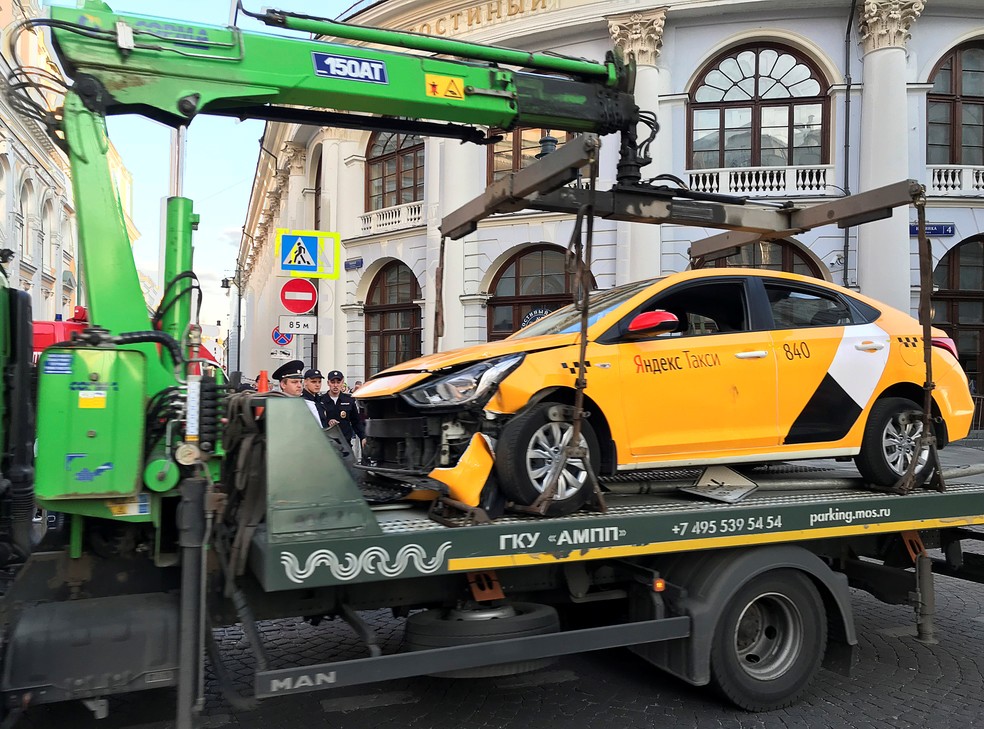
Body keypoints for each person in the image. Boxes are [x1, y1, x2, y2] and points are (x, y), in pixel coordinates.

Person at [322, 369, 365, 453]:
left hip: (345, 444)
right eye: (333, 382)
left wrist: (363, 437)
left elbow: (356, 422)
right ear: (328, 383)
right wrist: (328, 422)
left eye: (338, 382)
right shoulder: (321, 400)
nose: (335, 385)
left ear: (342, 383)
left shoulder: (349, 400)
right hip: (327, 445)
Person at [271, 359, 321, 426]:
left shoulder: (309, 406)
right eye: (294, 382)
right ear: (283, 384)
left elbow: (318, 432)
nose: (299, 386)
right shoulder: (273, 406)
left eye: (300, 382)